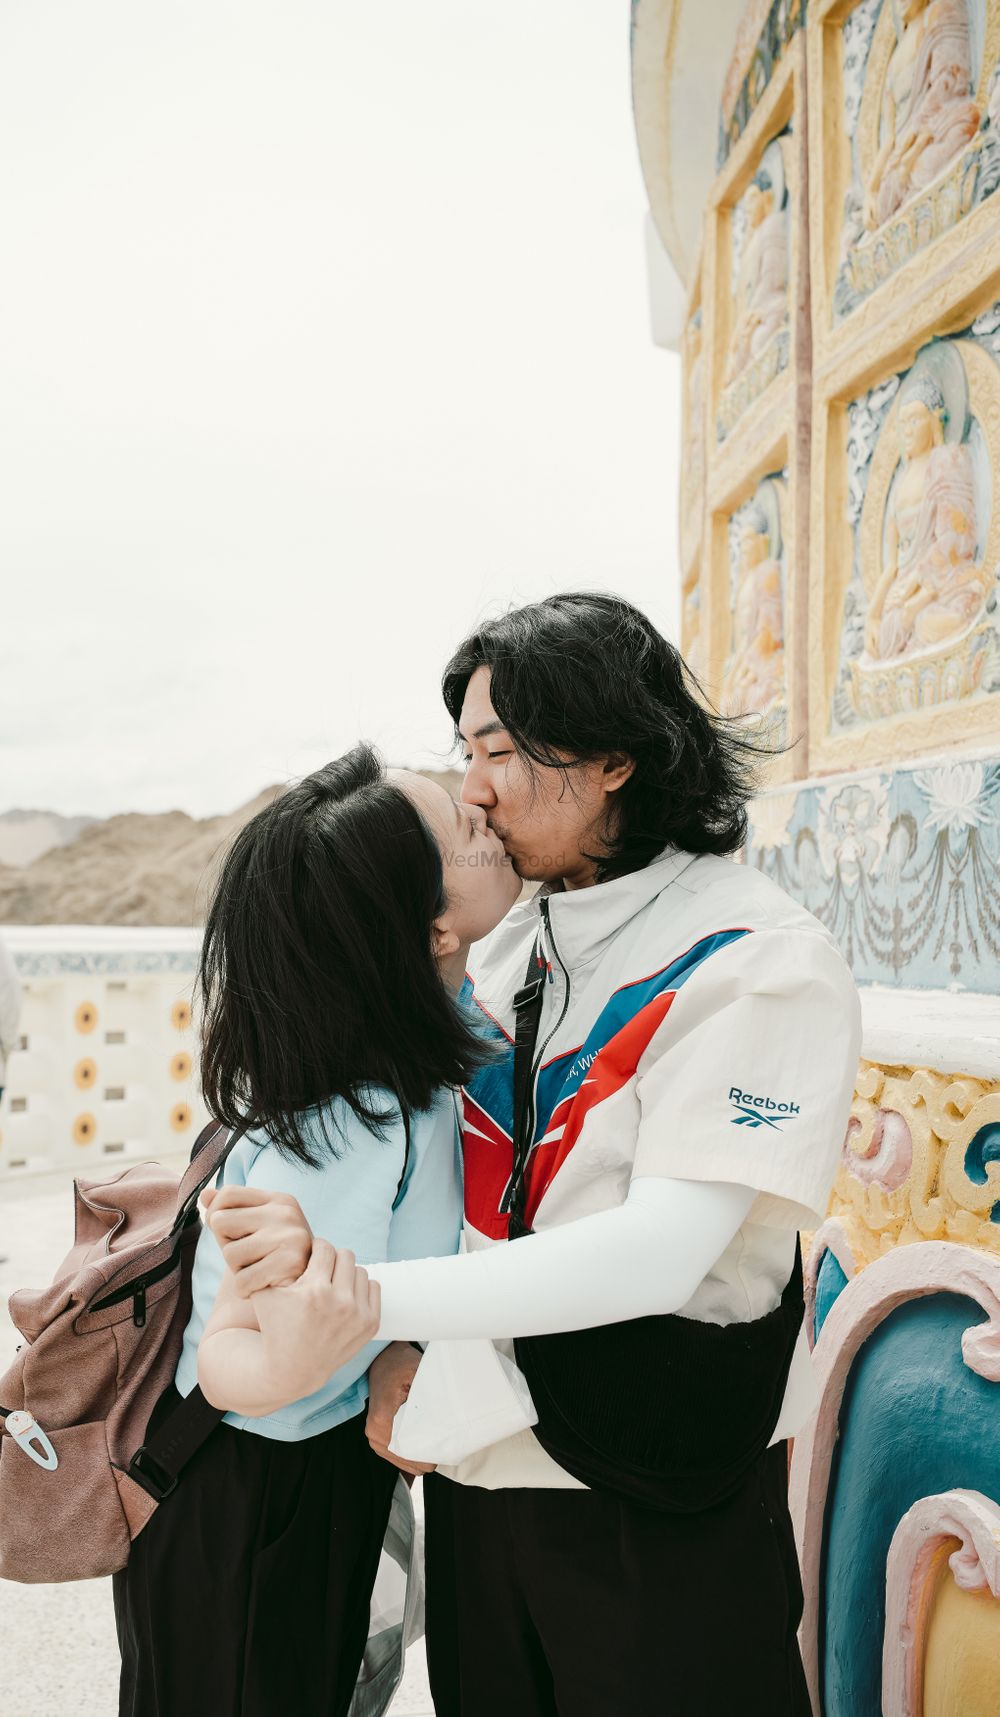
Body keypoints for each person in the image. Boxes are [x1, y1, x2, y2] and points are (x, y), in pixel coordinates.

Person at [209, 593, 862, 1717]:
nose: (471, 786)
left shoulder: (755, 960)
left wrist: (361, 1302)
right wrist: (381, 1336)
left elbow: (659, 1254)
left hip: (652, 1492)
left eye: (500, 749)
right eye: (465, 750)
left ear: (612, 755)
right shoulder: (505, 937)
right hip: (476, 1482)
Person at [113, 743, 521, 1717]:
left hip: (301, 1466)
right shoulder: (352, 1119)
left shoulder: (421, 1044)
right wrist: (309, 1351)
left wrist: (385, 1353)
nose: (483, 811)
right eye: (463, 829)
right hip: (257, 1490)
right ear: (428, 930)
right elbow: (229, 1364)